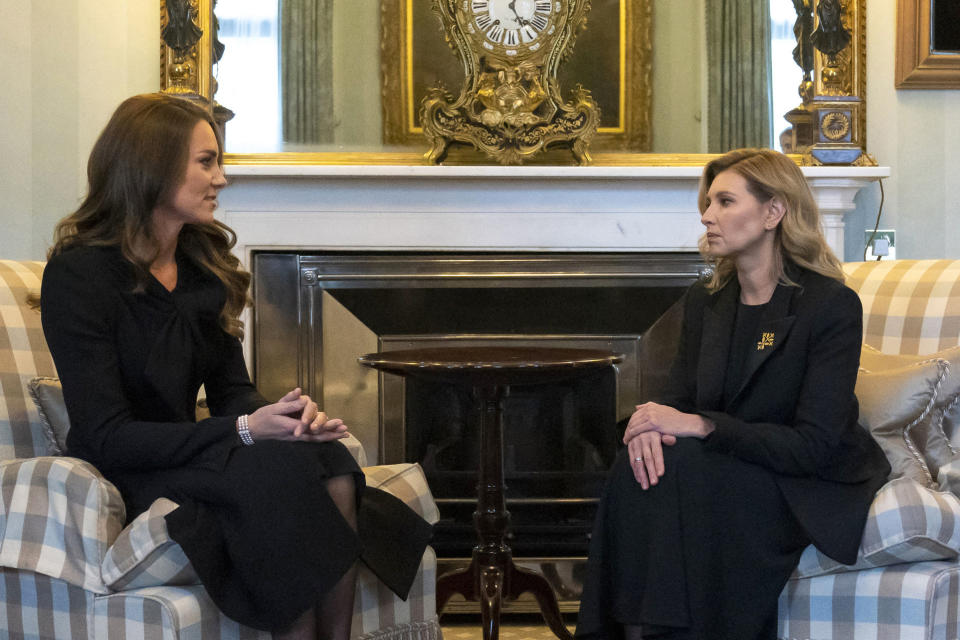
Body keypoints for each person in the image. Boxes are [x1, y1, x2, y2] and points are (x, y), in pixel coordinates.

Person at [39, 93, 432, 640]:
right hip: (131, 461)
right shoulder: (79, 275)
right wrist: (248, 430)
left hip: (197, 450)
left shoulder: (202, 267)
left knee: (330, 457)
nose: (221, 179)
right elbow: (106, 434)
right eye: (206, 162)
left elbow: (232, 393)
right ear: (152, 165)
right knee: (277, 471)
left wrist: (284, 416)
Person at [575, 148, 890, 640]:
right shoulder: (708, 301)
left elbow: (813, 445)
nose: (706, 216)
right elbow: (677, 399)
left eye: (724, 201)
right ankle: (628, 631)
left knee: (684, 468)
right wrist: (648, 427)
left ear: (773, 211)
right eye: (708, 203)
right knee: (640, 461)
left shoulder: (830, 306)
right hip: (728, 463)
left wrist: (702, 426)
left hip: (806, 480)